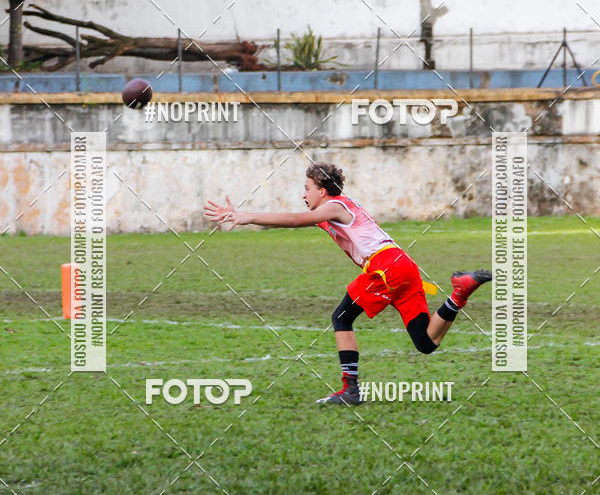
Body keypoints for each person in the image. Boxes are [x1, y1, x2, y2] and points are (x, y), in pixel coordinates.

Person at [204, 162, 491, 405]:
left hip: (385, 268)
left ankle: (350, 390)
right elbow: (295, 218)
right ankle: (460, 291)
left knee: (341, 317)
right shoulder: (335, 209)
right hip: (402, 265)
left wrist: (247, 216)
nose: (303, 194)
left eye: (307, 188)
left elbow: (296, 219)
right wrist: (248, 216)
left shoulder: (335, 206)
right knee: (426, 342)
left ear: (322, 191)